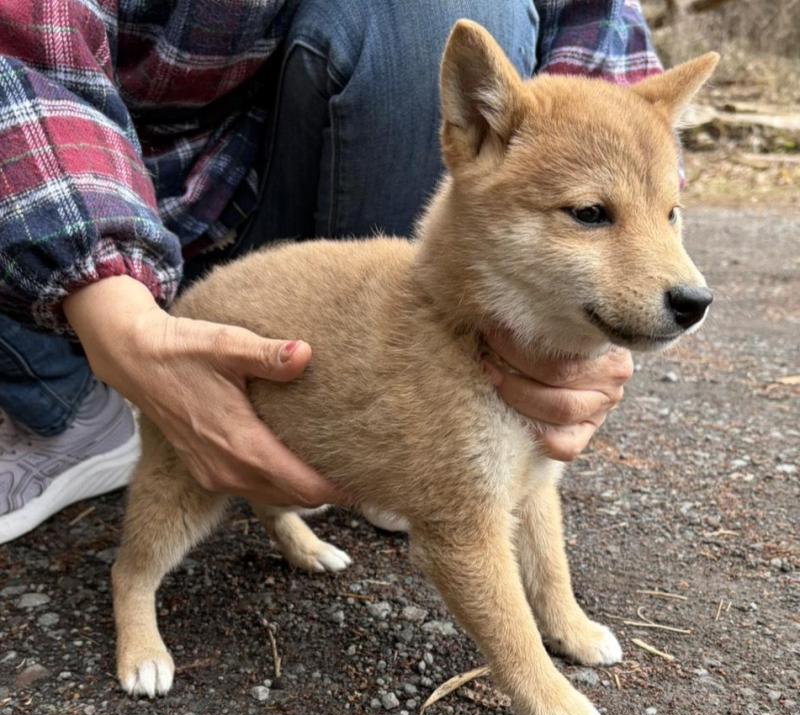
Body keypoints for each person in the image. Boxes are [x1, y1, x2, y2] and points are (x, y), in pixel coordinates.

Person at [0, 1, 658, 542]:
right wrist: (113, 316)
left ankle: (400, 420)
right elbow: (22, 47)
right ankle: (64, 397)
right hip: (48, 205)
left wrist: (610, 160)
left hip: (261, 195)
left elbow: (590, 19)